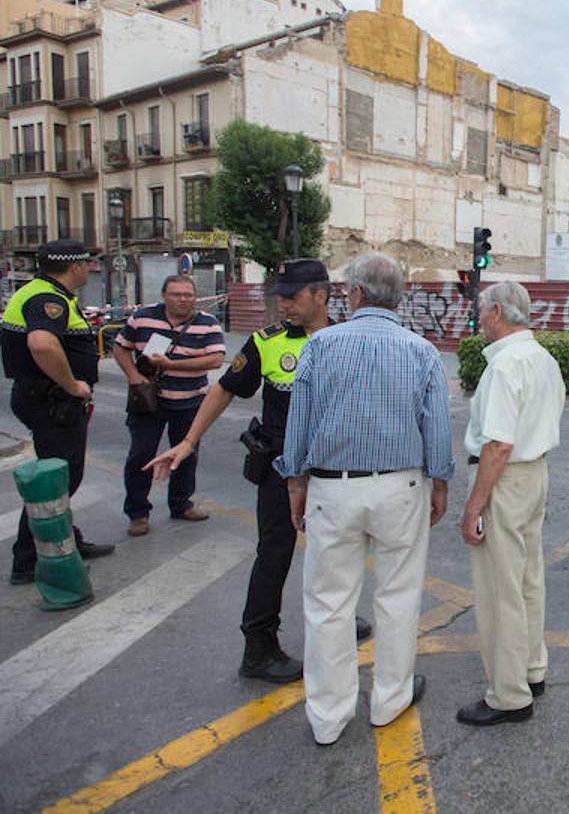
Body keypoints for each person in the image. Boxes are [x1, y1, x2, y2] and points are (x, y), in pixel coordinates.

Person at [146, 259, 371, 683]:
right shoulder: (266, 342)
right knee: (275, 551)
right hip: (280, 471)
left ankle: (338, 619)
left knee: (339, 549)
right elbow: (225, 390)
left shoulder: (350, 339)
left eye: (292, 296)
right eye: (279, 296)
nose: (283, 304)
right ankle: (259, 646)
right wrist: (188, 441)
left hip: (336, 469)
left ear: (320, 295)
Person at [275, 253, 453, 747]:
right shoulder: (421, 352)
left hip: (332, 488)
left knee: (329, 603)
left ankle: (328, 716)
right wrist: (440, 483)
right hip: (401, 488)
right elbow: (436, 429)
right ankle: (390, 700)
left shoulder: (319, 347)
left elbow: (299, 426)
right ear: (400, 296)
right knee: (398, 597)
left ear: (353, 294)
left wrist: (295, 484)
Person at [458, 281, 566, 727]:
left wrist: (473, 507)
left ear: (498, 311)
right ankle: (532, 669)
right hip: (535, 474)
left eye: (482, 312)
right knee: (528, 579)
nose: (479, 319)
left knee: (501, 589)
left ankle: (508, 695)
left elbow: (498, 445)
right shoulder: (543, 358)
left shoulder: (504, 367)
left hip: (503, 480)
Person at [2, 240, 115, 583]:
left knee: (62, 477)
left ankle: (66, 540)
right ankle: (28, 559)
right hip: (52, 401)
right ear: (75, 266)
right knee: (55, 482)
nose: (89, 269)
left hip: (45, 399)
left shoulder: (44, 292)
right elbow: (41, 343)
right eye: (87, 264)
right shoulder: (47, 299)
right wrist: (72, 385)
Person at [113, 276, 224, 536]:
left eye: (188, 294)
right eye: (177, 294)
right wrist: (133, 376)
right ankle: (138, 513)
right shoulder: (143, 317)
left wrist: (173, 366)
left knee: (186, 456)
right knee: (141, 455)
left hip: (190, 401)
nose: (184, 299)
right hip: (149, 401)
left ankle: (181, 504)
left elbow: (217, 359)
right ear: (164, 295)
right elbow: (120, 348)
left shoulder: (207, 323)